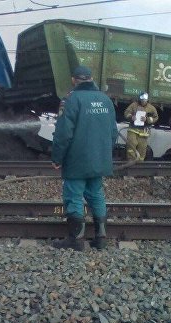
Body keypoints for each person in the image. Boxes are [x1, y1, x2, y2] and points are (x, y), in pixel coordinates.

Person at [51, 65, 118, 251]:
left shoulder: (71, 100)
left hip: (76, 160)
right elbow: (113, 133)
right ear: (90, 78)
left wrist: (57, 158)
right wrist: (104, 154)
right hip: (99, 159)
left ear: (74, 80)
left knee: (73, 196)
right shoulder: (106, 100)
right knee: (96, 194)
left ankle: (76, 240)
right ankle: (101, 238)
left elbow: (63, 134)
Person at [122, 91, 159, 161]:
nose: (143, 101)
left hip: (144, 131)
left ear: (147, 100)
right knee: (131, 144)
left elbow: (155, 117)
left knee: (142, 148)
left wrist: (147, 119)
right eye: (142, 99)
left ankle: (140, 164)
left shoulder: (151, 108)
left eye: (145, 99)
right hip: (133, 129)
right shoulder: (133, 105)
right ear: (139, 98)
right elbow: (126, 113)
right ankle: (131, 161)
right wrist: (131, 117)